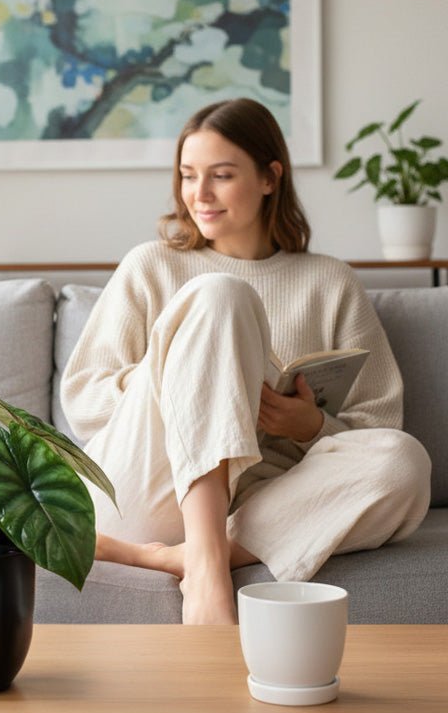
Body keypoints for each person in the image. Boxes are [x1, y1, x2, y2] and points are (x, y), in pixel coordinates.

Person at [60, 97, 431, 625]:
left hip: (269, 502)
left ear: (269, 177)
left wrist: (312, 425)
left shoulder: (330, 282)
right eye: (188, 176)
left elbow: (377, 423)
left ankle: (184, 556)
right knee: (220, 297)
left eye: (221, 175)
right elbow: (83, 400)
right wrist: (184, 371)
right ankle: (209, 574)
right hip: (153, 487)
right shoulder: (151, 266)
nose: (199, 195)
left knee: (405, 461)